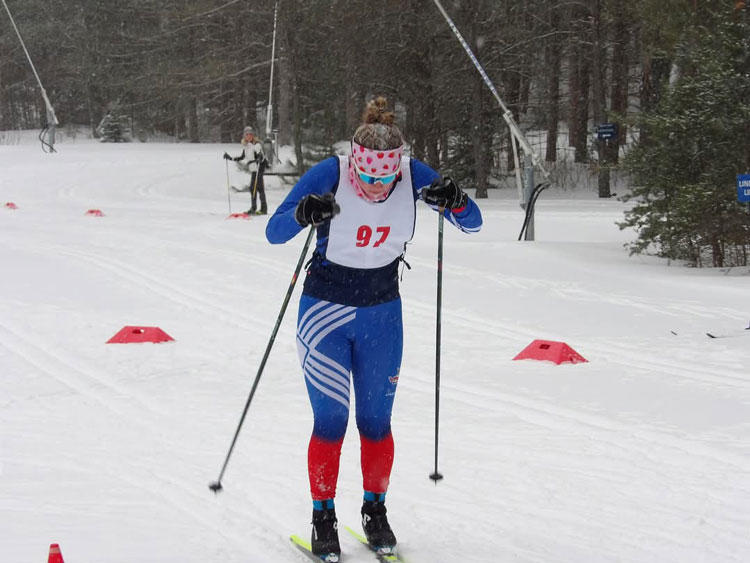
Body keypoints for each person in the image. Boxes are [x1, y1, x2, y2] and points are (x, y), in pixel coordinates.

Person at [265, 97, 482, 561]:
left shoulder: (412, 174)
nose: (378, 187)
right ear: (356, 165)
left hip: (383, 315)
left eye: (386, 178)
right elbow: (275, 231)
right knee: (330, 421)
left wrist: (457, 202)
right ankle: (323, 518)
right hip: (324, 313)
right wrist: (304, 212)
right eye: (369, 178)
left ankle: (374, 511)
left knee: (376, 423)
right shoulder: (331, 172)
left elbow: (474, 223)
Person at [223, 126, 268, 215]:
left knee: (255, 188)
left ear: (253, 135)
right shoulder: (246, 146)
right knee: (257, 188)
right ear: (245, 136)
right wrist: (230, 158)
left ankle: (257, 208)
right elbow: (241, 157)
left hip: (258, 168)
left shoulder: (257, 145)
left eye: (250, 134)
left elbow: (261, 156)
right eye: (247, 135)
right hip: (253, 168)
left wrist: (260, 158)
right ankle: (261, 208)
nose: (249, 136)